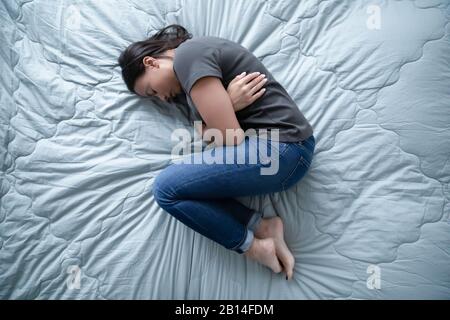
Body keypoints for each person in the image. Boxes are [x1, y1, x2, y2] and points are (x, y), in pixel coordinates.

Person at [118, 24, 315, 280]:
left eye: (152, 91)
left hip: (283, 148)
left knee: (166, 189)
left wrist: (225, 108)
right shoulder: (188, 93)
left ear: (151, 62)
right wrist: (227, 104)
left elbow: (226, 138)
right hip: (279, 153)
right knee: (176, 189)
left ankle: (254, 248)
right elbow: (213, 139)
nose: (161, 99)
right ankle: (262, 226)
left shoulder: (188, 55)